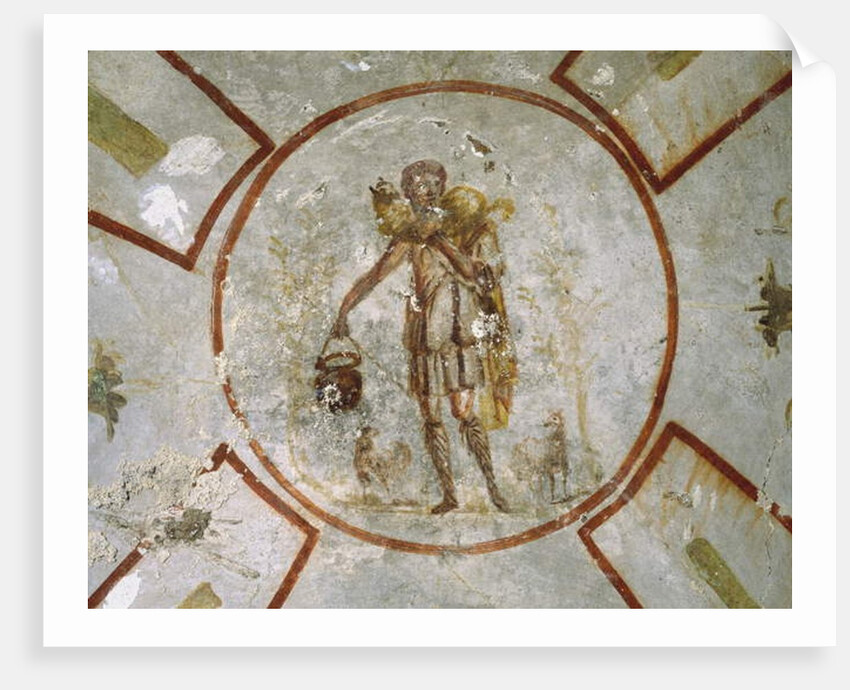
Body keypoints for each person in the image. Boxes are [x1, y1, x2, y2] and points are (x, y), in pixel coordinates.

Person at [330, 160, 514, 514]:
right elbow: (375, 275)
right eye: (416, 184)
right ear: (407, 193)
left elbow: (471, 271)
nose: (425, 189)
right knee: (431, 417)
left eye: (431, 183)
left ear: (442, 188)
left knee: (464, 413)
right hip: (424, 337)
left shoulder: (466, 229)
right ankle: (449, 494)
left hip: (459, 335)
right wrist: (344, 310)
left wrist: (436, 236)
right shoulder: (410, 239)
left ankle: (493, 487)